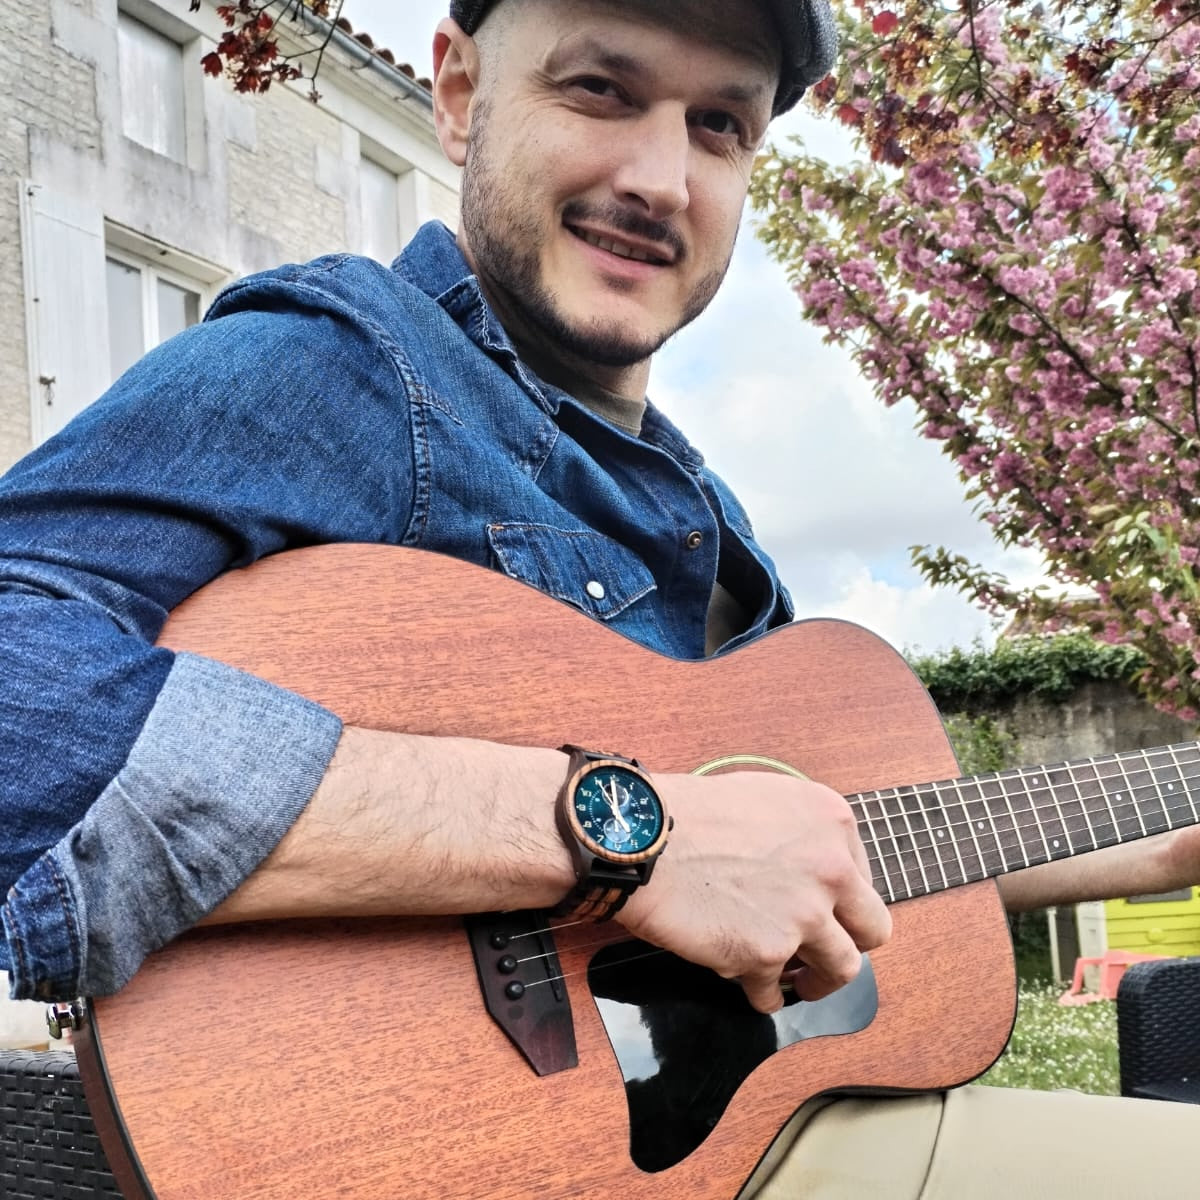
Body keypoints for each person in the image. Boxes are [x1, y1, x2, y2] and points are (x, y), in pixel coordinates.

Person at [0, 0, 1197, 1195]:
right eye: (600, 90)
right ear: (461, 94)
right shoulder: (338, 370)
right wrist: (620, 834)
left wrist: (1152, 849)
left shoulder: (700, 510)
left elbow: (796, 857)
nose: (661, 178)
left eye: (720, 124)